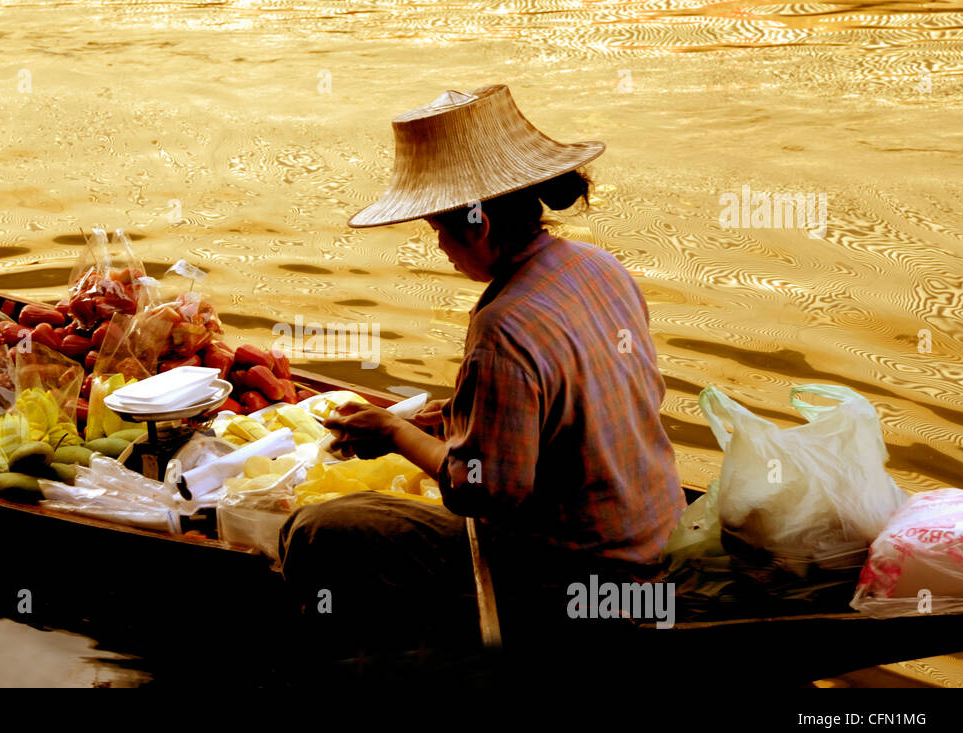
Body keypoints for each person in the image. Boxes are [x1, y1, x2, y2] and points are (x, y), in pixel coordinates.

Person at [278, 84, 685, 653]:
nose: (440, 245)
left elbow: (483, 494)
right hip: (656, 542)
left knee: (320, 530)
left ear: (479, 226)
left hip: (582, 584)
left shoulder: (503, 327)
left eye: (440, 230)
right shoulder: (596, 265)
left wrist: (394, 433)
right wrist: (448, 421)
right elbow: (577, 408)